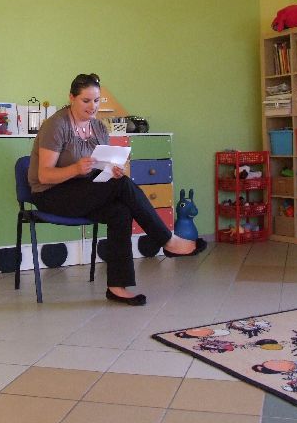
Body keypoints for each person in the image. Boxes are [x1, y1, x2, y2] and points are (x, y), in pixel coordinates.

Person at [29, 73, 207, 306]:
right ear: (71, 98)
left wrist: (111, 170)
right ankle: (167, 240)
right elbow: (44, 175)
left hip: (81, 190)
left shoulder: (98, 127)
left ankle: (117, 287)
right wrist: (75, 169)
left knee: (120, 210)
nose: (92, 107)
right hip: (50, 194)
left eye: (96, 101)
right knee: (122, 185)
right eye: (86, 101)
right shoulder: (56, 125)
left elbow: (98, 168)